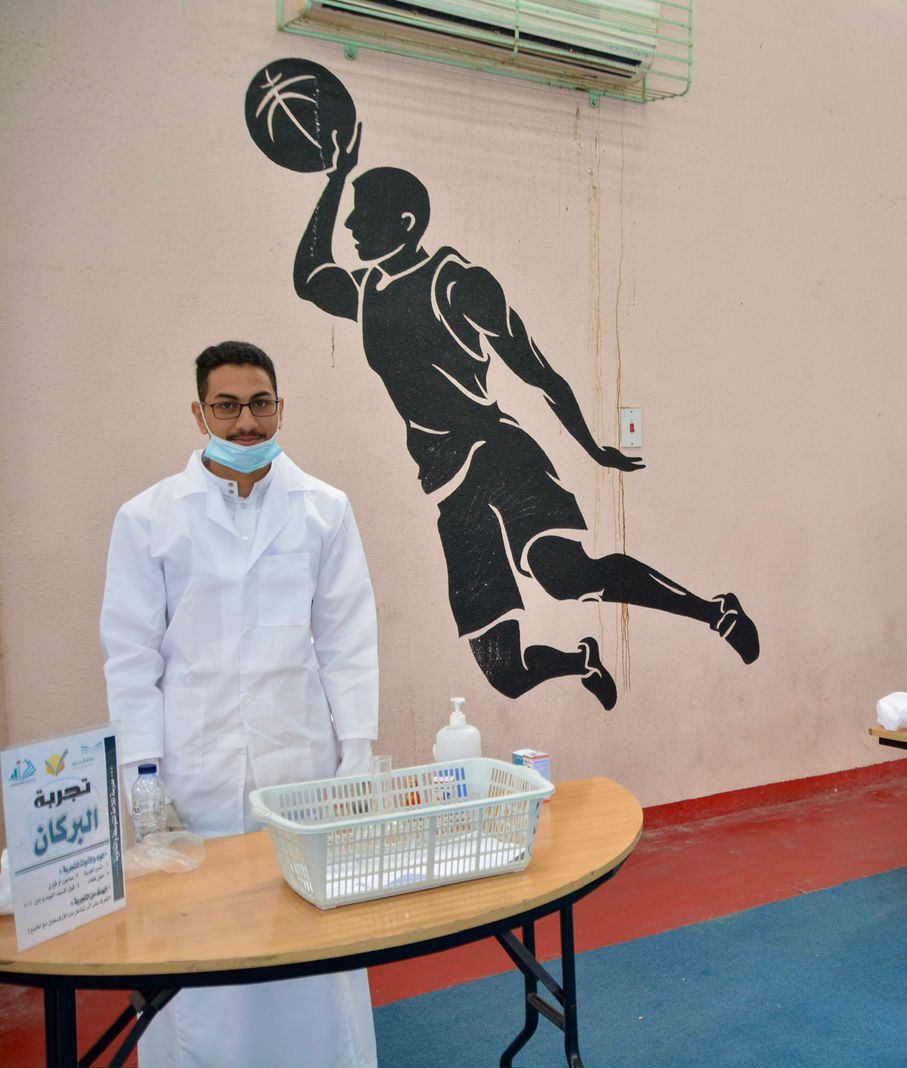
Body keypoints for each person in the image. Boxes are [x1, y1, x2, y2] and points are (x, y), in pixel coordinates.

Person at [293, 125, 757, 709]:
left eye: (364, 214)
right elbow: (309, 278)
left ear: (406, 223)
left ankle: (715, 612)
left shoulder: (458, 284)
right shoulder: (368, 293)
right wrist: (335, 176)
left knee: (566, 576)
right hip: (446, 484)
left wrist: (593, 448)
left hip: (498, 455)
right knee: (504, 672)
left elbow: (540, 373)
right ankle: (580, 661)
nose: (351, 226)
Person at [101, 342, 379, 1066]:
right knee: (201, 959)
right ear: (199, 414)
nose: (246, 422)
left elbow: (348, 640)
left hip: (299, 763)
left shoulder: (324, 509)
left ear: (280, 407)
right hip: (196, 769)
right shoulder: (148, 518)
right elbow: (131, 656)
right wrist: (141, 774)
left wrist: (356, 753)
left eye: (259, 404)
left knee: (310, 941)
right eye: (226, 406)